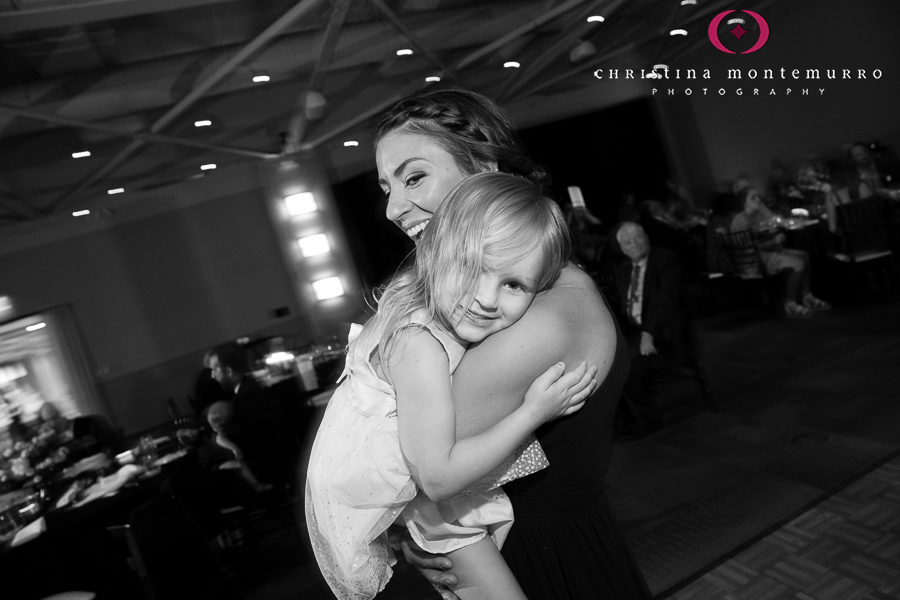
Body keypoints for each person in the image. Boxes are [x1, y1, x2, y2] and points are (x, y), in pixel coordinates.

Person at [374, 87, 651, 600]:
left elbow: (411, 470)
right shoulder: (527, 285)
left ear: (484, 167)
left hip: (548, 562)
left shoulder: (543, 316)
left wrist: (411, 532)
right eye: (386, 186)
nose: (393, 207)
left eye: (414, 176)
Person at [305, 172, 598, 600]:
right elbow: (439, 478)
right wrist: (533, 412)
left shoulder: (440, 309)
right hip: (417, 487)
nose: (487, 298)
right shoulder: (420, 344)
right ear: (439, 252)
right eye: (472, 268)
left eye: (514, 284)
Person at [611, 222, 690, 438]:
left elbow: (665, 304)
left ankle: (649, 420)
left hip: (661, 332)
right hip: (633, 332)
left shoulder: (666, 260)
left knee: (627, 367)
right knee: (604, 362)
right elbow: (621, 304)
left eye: (638, 238)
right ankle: (624, 422)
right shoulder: (624, 268)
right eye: (628, 242)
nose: (634, 244)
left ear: (646, 237)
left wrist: (648, 333)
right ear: (623, 248)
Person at [729, 187, 831, 318]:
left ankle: (807, 295)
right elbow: (750, 248)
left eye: (758, 196)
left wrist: (779, 228)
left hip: (768, 251)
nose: (758, 200)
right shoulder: (741, 220)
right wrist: (774, 241)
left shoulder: (759, 211)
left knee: (804, 254)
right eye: (753, 198)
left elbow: (774, 221)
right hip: (756, 261)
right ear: (744, 202)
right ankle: (790, 303)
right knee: (798, 263)